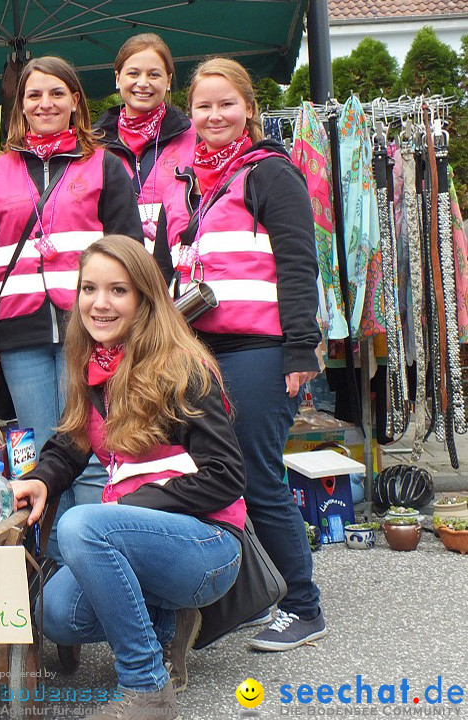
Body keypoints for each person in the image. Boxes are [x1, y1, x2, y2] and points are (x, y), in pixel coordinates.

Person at [11, 235, 246, 719]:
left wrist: (130, 509)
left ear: (144, 298)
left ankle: (145, 687)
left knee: (81, 525)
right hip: (138, 537)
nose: (99, 303)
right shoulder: (93, 363)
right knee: (56, 612)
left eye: (118, 290)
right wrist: (42, 479)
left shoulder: (184, 367)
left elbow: (226, 477)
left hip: (209, 545)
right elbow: (73, 441)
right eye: (89, 289)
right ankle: (164, 623)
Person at [155, 57, 324, 651]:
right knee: (212, 475)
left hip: (260, 347)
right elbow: (163, 271)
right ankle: (261, 592)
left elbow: (300, 264)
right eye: (203, 105)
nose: (215, 115)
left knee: (256, 476)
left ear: (249, 108)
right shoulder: (185, 180)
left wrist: (301, 349)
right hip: (199, 349)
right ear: (189, 113)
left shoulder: (271, 173)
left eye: (227, 103)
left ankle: (303, 606)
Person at [0, 56, 142, 523]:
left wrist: (128, 329)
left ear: (75, 101)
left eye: (56, 93)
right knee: (38, 460)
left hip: (90, 330)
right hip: (19, 334)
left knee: (87, 454)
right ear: (20, 107)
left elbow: (130, 254)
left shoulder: (106, 165)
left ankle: (89, 558)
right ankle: (51, 569)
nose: (45, 104)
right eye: (34, 95)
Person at [93, 33, 196, 252]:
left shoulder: (196, 137)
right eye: (133, 73)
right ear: (117, 78)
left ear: (168, 81)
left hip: (177, 269)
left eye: (153, 74)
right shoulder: (92, 145)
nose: (143, 83)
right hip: (115, 267)